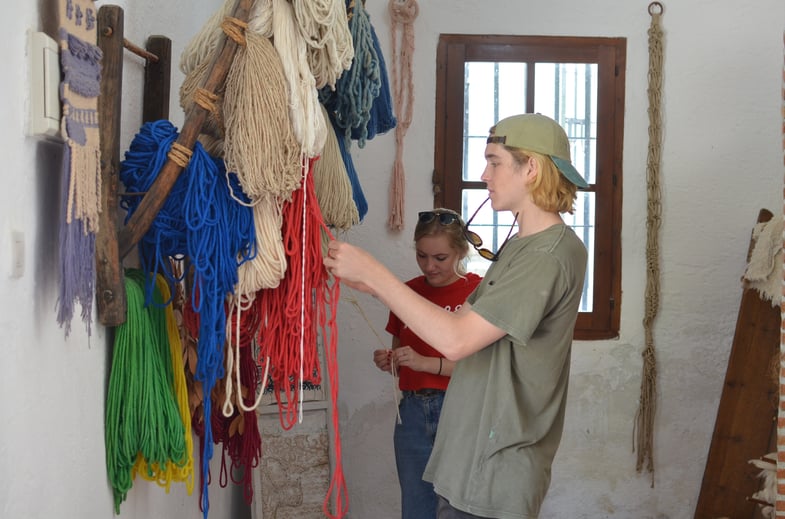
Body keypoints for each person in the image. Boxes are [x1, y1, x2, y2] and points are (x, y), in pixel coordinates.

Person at [325, 113, 588, 519]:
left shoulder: (548, 255)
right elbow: (456, 321)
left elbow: (456, 340)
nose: (484, 174)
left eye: (494, 161)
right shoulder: (522, 247)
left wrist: (376, 275)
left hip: (495, 473)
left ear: (531, 168)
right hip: (468, 463)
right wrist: (373, 284)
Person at [374, 208, 482, 519]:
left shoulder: (477, 291)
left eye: (440, 258)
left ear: (461, 252)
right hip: (410, 412)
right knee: (416, 506)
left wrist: (425, 363)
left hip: (461, 409)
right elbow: (399, 354)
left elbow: (483, 368)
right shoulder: (406, 293)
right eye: (422, 256)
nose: (430, 266)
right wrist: (390, 361)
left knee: (460, 506)